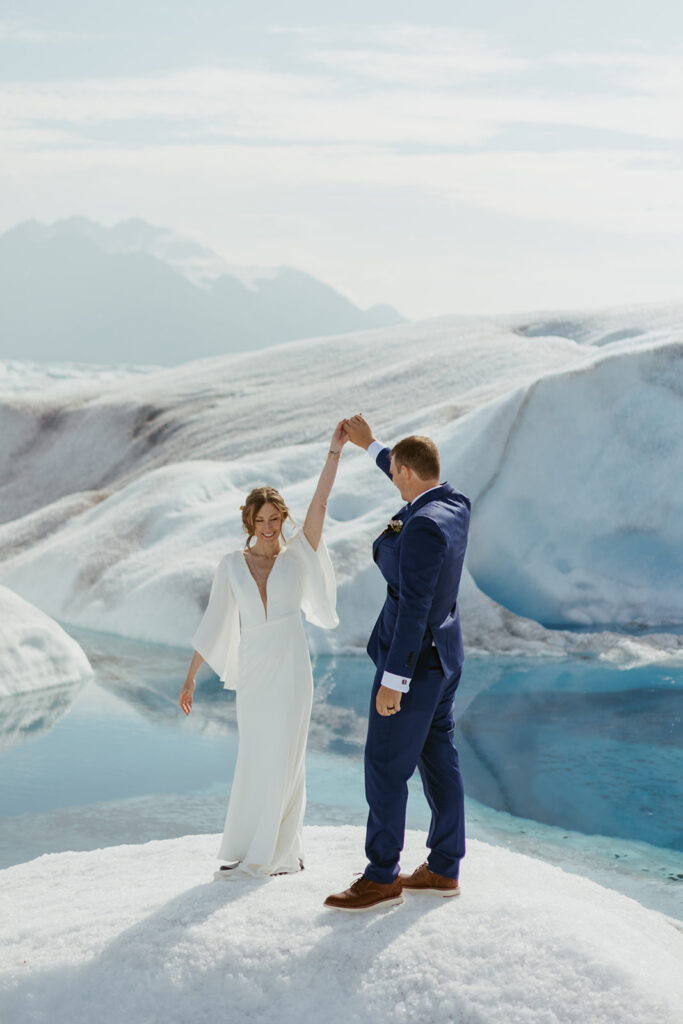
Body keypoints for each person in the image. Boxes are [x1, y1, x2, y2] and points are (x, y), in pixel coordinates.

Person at [179, 423, 346, 878]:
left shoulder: (298, 555)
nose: (270, 527)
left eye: (276, 519)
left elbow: (321, 503)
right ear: (249, 523)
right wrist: (192, 675)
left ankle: (280, 850)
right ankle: (250, 843)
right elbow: (215, 622)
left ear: (282, 520)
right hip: (254, 671)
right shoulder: (232, 565)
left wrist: (334, 452)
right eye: (261, 520)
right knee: (256, 754)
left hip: (292, 667)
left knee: (287, 755)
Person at [325, 414, 470, 912]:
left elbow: (413, 607)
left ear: (407, 474)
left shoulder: (423, 527)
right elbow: (403, 466)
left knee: (386, 767)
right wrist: (371, 446)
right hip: (446, 657)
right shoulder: (453, 502)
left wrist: (394, 680)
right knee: (438, 759)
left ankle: (382, 876)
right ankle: (445, 864)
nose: (392, 478)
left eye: (394, 472)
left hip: (414, 664)